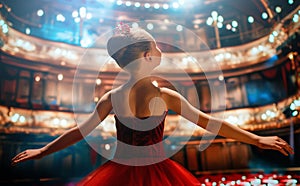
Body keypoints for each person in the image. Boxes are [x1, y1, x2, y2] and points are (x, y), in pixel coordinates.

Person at [11, 25, 294, 186]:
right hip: (160, 174)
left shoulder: (110, 98)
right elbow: (211, 124)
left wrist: (44, 150)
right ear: (147, 56)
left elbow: (79, 131)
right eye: (158, 48)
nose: (161, 52)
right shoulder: (164, 95)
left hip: (117, 175)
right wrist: (257, 138)